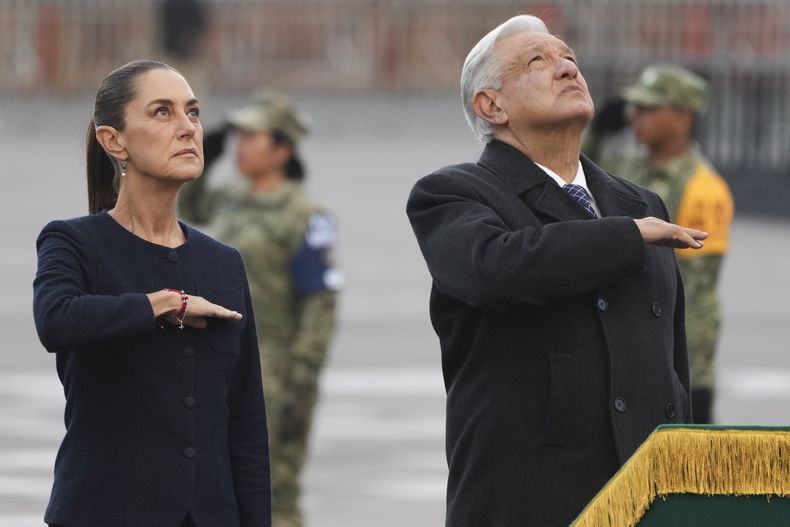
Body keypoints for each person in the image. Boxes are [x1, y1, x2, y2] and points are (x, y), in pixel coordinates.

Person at [406, 15, 709, 526]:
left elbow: (671, 361)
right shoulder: (454, 194)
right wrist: (626, 235)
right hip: (533, 499)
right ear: (491, 105)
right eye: (537, 62)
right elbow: (498, 268)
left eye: (569, 57)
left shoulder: (638, 201)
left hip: (648, 493)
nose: (567, 68)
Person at [33, 60, 270, 527]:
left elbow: (245, 425)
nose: (187, 128)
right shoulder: (74, 242)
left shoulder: (224, 262)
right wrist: (165, 304)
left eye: (193, 112)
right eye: (163, 112)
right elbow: (55, 319)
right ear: (113, 140)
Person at [179, 91, 340, 527]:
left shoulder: (306, 216)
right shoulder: (233, 197)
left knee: (273, 494)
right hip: (223, 363)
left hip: (275, 374)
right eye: (239, 137)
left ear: (283, 149)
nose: (241, 147)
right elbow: (190, 209)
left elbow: (320, 304)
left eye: (253, 137)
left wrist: (302, 380)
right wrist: (205, 161)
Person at [588, 65, 734, 423]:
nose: (635, 116)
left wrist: (690, 378)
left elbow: (695, 294)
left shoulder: (703, 188)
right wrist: (596, 132)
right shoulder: (625, 165)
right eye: (635, 107)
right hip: (624, 349)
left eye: (650, 109)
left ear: (683, 117)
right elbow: (572, 172)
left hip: (672, 363)